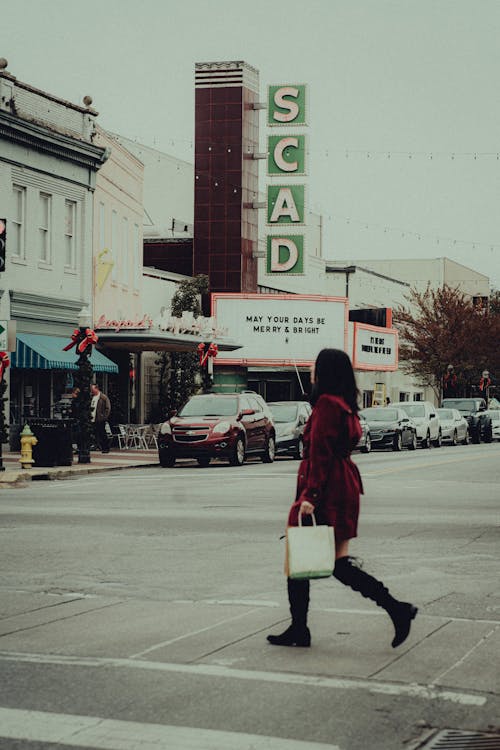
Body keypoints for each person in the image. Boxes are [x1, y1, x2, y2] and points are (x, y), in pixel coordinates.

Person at [267, 348, 418, 649]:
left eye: (315, 368)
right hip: (343, 487)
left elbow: (320, 453)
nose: (311, 372)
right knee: (337, 563)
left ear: (325, 373)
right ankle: (395, 609)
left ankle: (302, 629)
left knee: (302, 558)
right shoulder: (346, 406)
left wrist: (310, 495)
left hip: (326, 490)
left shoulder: (326, 405)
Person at [90, 383, 111, 453]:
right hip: (92, 418)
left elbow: (108, 408)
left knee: (102, 433)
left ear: (96, 388)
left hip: (100, 418)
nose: (92, 391)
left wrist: (104, 417)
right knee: (95, 433)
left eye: (93, 389)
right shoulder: (92, 397)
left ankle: (105, 447)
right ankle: (97, 446)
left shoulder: (103, 397)